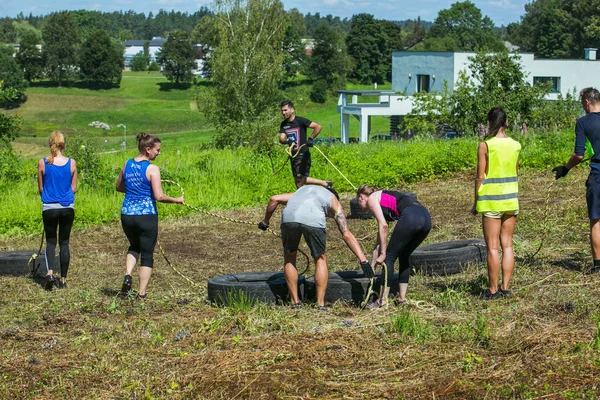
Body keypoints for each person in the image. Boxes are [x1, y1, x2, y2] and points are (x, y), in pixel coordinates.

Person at [259, 185, 372, 309]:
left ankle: (295, 302)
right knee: (320, 259)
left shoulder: (301, 191)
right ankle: (320, 304)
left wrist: (265, 221)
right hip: (313, 218)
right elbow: (346, 234)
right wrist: (363, 260)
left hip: (289, 218)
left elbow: (274, 199)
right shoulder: (334, 200)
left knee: (290, 256)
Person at [115, 133, 184, 298]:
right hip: (146, 216)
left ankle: (128, 274)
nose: (158, 153)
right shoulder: (152, 169)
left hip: (127, 215)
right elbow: (159, 196)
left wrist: (134, 191)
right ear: (148, 149)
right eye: (157, 150)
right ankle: (142, 293)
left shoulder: (127, 164)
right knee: (146, 254)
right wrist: (176, 200)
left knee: (134, 246)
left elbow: (119, 187)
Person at [471, 107, 521, 300]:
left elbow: (479, 176)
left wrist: (476, 203)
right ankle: (505, 287)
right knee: (507, 245)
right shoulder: (516, 145)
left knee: (492, 247)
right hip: (511, 199)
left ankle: (492, 291)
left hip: (492, 201)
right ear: (506, 122)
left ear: (490, 123)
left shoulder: (486, 145)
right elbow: (515, 171)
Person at [356, 185, 431, 308]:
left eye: (358, 201)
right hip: (426, 219)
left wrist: (383, 253)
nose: (359, 205)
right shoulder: (382, 200)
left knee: (388, 259)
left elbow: (384, 226)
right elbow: (379, 241)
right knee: (404, 255)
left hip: (411, 217)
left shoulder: (371, 199)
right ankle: (401, 299)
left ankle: (382, 301)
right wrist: (372, 265)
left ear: (361, 197)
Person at [553, 87, 600, 274]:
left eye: (582, 104)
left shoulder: (583, 122)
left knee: (596, 220)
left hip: (597, 176)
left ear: (587, 102)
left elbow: (578, 155)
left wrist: (564, 169)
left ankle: (598, 266)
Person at [37, 131, 78, 291]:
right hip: (67, 207)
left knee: (50, 241)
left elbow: (41, 188)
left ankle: (49, 274)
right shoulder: (72, 163)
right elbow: (74, 188)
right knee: (64, 242)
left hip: (49, 207)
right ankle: (63, 279)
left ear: (50, 144)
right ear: (63, 144)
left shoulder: (43, 163)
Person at [279, 100, 332, 189]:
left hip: (303, 154)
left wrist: (311, 138)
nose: (283, 113)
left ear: (292, 110)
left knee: (299, 180)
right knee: (298, 180)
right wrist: (288, 141)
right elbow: (281, 139)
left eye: (285, 110)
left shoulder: (300, 121)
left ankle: (308, 195)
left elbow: (318, 127)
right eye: (282, 111)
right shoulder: (283, 124)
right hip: (293, 155)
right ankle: (325, 183)